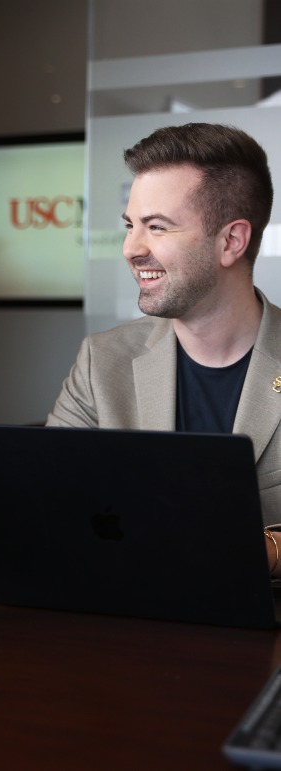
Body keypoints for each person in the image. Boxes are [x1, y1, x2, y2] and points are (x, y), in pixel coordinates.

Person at [46, 122, 281, 575]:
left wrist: (266, 552)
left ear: (231, 241)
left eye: (157, 227)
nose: (131, 248)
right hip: (129, 619)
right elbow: (48, 498)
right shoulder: (102, 360)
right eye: (131, 225)